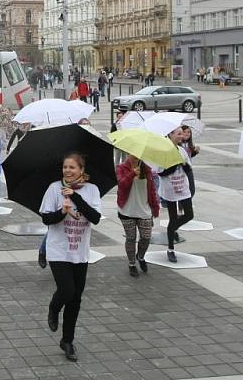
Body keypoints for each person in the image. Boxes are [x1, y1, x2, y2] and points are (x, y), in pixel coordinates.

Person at [39, 152, 101, 362]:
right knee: (66, 290)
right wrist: (62, 212)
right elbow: (46, 218)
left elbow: (95, 218)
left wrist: (75, 197)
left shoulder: (92, 190)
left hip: (80, 252)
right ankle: (53, 308)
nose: (68, 170)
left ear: (81, 170)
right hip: (58, 250)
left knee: (76, 298)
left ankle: (67, 341)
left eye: (72, 167)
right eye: (65, 167)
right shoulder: (54, 189)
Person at [116, 154, 159, 277]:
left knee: (146, 237)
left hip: (144, 210)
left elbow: (152, 190)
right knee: (131, 238)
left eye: (138, 154)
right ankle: (132, 264)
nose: (135, 155)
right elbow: (121, 184)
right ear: (127, 153)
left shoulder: (147, 170)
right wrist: (132, 173)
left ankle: (140, 256)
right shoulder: (121, 168)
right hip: (127, 211)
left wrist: (155, 207)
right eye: (132, 153)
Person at [155, 127, 194, 262]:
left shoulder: (182, 150)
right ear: (170, 135)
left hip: (183, 187)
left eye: (181, 133)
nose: (181, 136)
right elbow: (160, 172)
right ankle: (171, 249)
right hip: (170, 189)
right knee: (172, 218)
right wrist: (174, 164)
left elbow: (188, 168)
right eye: (178, 134)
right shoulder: (163, 151)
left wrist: (183, 164)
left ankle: (173, 229)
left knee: (189, 214)